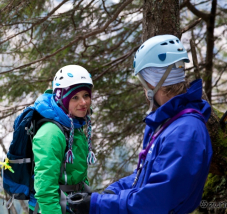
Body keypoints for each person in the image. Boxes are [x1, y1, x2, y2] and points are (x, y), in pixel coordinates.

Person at [68, 35, 213, 214]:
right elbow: (145, 178)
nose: (145, 90)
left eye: (144, 83)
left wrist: (97, 204)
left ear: (154, 83)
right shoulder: (170, 124)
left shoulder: (185, 132)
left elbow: (154, 200)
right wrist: (113, 191)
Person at [29, 65, 96, 214]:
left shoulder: (74, 125)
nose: (83, 102)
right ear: (62, 99)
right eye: (75, 97)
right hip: (56, 208)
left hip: (74, 204)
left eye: (86, 95)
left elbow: (79, 175)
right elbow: (45, 190)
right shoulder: (51, 133)